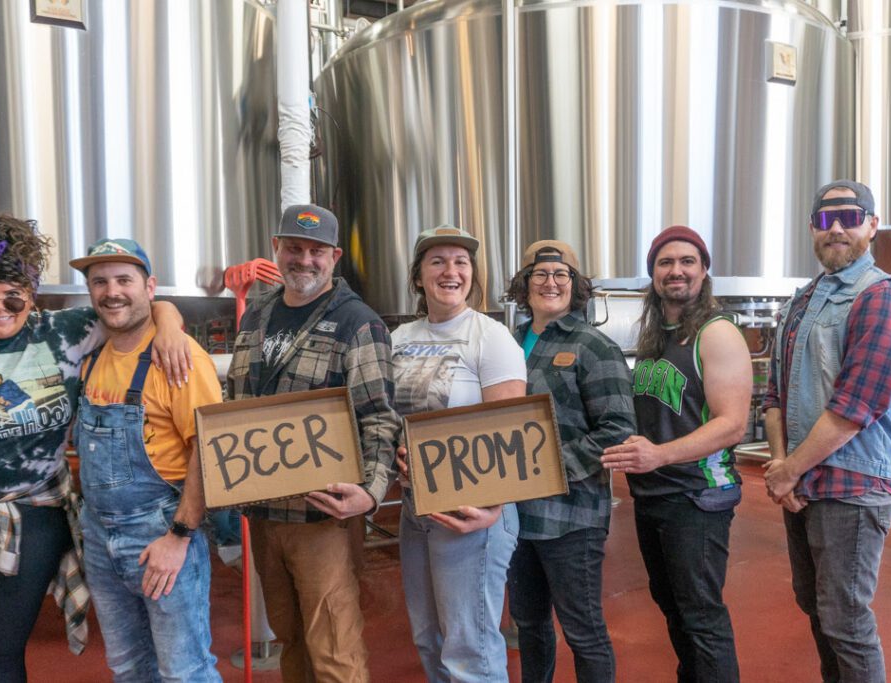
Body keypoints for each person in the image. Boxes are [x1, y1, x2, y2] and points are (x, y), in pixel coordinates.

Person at [0, 214, 187, 681]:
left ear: (32, 294)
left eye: (13, 297)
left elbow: (143, 304)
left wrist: (169, 325)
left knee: (4, 661)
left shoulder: (64, 331)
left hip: (35, 512)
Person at [226, 204, 401, 683]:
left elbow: (380, 417)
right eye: (294, 248)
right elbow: (237, 406)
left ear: (335, 256)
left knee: (334, 650)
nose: (304, 259)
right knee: (291, 640)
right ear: (275, 249)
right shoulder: (255, 317)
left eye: (316, 251)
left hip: (322, 516)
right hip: (263, 513)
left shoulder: (357, 322)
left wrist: (371, 491)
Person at [763, 180, 891, 683]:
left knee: (845, 621)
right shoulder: (802, 301)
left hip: (853, 486)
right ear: (812, 229)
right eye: (825, 219)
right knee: (817, 610)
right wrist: (782, 469)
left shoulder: (880, 296)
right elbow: (774, 394)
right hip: (804, 485)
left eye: (849, 216)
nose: (836, 227)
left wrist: (788, 471)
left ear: (870, 224)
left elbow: (857, 404)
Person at [601, 225, 751, 683]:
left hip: (697, 497)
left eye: (688, 261)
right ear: (653, 275)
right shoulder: (655, 337)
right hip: (655, 495)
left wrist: (660, 456)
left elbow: (731, 424)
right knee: (673, 607)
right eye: (666, 263)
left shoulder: (716, 333)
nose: (676, 271)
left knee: (700, 616)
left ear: (704, 272)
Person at [69, 238, 224, 681]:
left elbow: (208, 453)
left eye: (124, 279)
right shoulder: (92, 355)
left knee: (184, 671)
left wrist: (178, 537)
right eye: (99, 281)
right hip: (99, 537)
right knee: (129, 667)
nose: (111, 291)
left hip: (160, 533)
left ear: (150, 287)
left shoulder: (179, 358)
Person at [392, 225, 526, 683]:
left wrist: (495, 505)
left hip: (474, 511)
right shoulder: (400, 336)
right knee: (429, 638)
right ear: (419, 275)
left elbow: (513, 432)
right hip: (416, 509)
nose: (451, 271)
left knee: (469, 650)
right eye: (438, 261)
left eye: (461, 262)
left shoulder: (490, 337)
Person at [503, 240, 635, 683]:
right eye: (539, 275)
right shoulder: (508, 342)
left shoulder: (594, 346)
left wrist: (546, 469)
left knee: (584, 631)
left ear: (577, 286)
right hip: (514, 516)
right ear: (524, 284)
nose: (550, 283)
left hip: (571, 517)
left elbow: (617, 429)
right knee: (530, 627)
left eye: (562, 275)